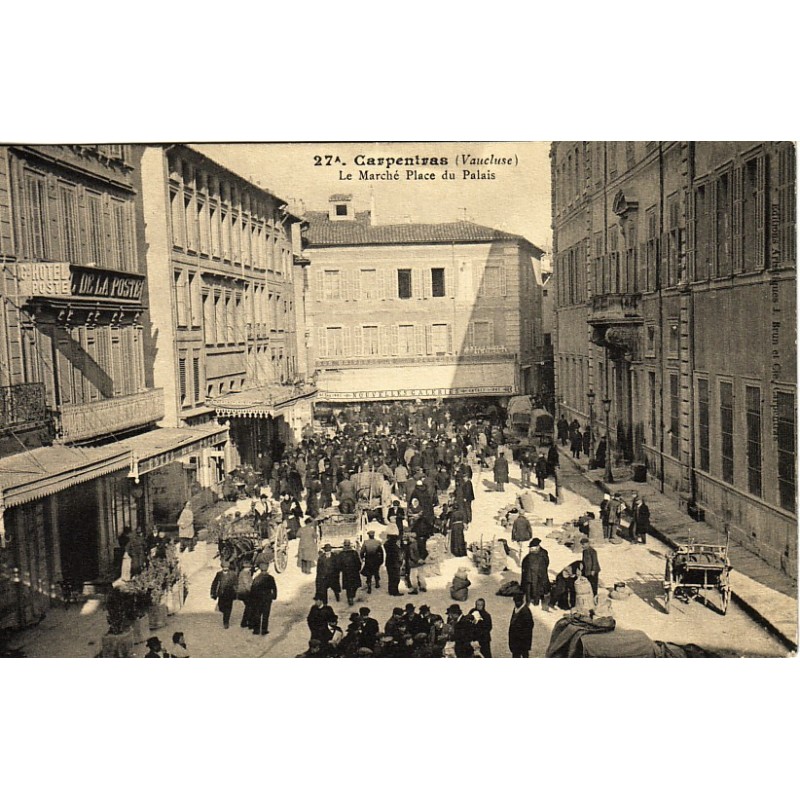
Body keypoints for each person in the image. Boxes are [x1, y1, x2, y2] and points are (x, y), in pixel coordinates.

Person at [521, 538, 550, 610]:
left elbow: (546, 563)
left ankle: (536, 601)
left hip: (538, 574)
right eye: (530, 548)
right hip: (531, 575)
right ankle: (529, 601)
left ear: (537, 547)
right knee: (529, 587)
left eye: (532, 548)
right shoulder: (530, 556)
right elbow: (524, 564)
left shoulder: (542, 554)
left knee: (537, 587)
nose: (531, 550)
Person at [210, 562, 238, 629]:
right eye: (224, 567)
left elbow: (236, 583)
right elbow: (215, 583)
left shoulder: (233, 574)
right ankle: (224, 613)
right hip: (221, 594)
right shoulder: (219, 574)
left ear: (228, 567)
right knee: (221, 606)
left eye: (226, 567)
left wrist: (236, 592)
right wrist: (213, 592)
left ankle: (226, 622)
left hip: (229, 594)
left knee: (228, 608)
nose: (225, 568)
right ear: (222, 567)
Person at [508, 593, 534, 658]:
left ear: (521, 601)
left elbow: (529, 626)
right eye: (515, 601)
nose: (516, 603)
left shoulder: (525, 611)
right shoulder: (516, 609)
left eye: (517, 601)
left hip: (522, 641)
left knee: (523, 655)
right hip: (516, 640)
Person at [338, 539, 363, 606]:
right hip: (353, 572)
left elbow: (339, 564)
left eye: (347, 545)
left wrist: (341, 569)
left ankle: (350, 597)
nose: (346, 546)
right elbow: (358, 562)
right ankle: (350, 597)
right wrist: (358, 568)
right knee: (353, 586)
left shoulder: (343, 553)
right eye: (346, 545)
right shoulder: (353, 553)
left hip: (348, 572)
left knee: (349, 586)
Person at [383, 525, 404, 597]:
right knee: (396, 578)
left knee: (391, 577)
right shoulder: (395, 547)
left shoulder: (386, 544)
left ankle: (391, 591)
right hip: (395, 564)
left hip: (389, 562)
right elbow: (399, 554)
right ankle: (395, 591)